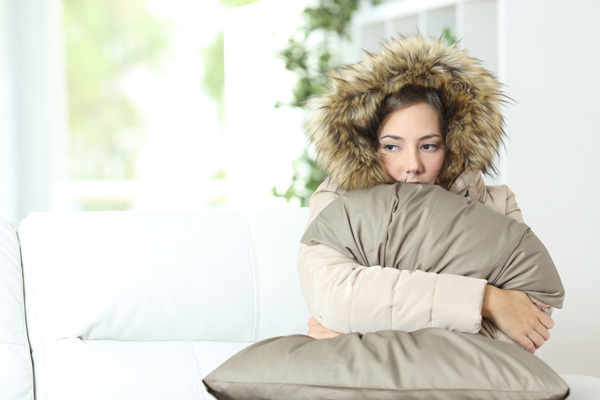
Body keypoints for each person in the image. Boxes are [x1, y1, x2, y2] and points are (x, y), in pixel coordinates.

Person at [297, 34, 554, 354]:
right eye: (392, 146)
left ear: (454, 144)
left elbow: (524, 328)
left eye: (429, 146)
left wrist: (362, 338)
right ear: (368, 145)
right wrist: (486, 300)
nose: (412, 165)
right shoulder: (336, 202)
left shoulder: (496, 203)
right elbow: (336, 298)